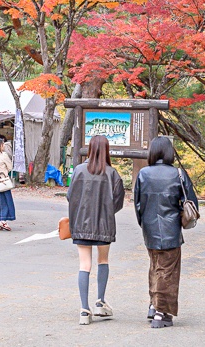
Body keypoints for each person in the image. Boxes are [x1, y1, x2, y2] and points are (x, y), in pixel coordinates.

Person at [134, 136, 198, 329]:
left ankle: (154, 306)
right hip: (171, 230)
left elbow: (138, 205)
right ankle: (162, 313)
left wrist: (144, 224)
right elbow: (192, 202)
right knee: (167, 271)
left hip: (150, 229)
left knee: (155, 267)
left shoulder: (143, 174)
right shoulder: (178, 174)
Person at [66, 135, 125, 326]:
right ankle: (100, 301)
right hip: (104, 225)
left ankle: (84, 309)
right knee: (103, 260)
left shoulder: (79, 171)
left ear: (90, 149)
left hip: (81, 224)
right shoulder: (112, 173)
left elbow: (70, 196)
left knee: (84, 265)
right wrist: (106, 212)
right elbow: (118, 202)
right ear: (106, 150)